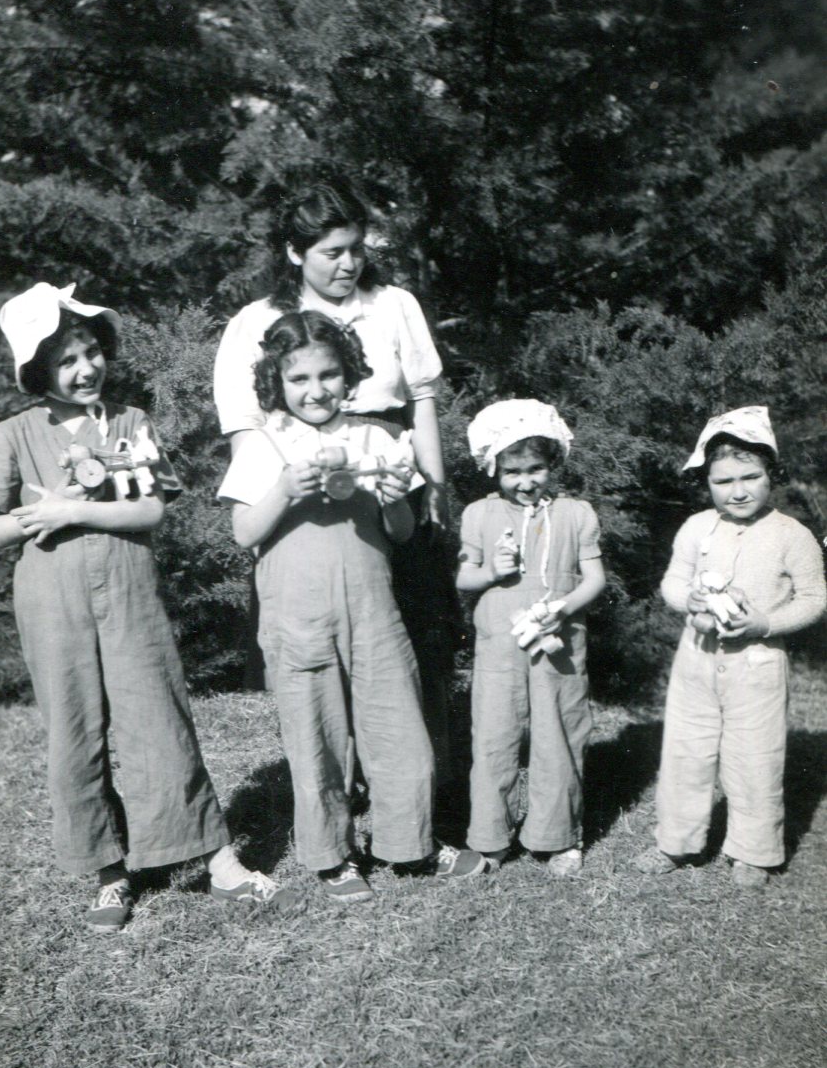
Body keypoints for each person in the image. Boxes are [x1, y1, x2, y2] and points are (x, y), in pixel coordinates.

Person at [0, 282, 301, 934]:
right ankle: (108, 873)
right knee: (74, 732)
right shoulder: (13, 434)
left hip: (128, 592)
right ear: (37, 371)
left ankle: (220, 863)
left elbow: (150, 510)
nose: (85, 368)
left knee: (158, 716)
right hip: (51, 603)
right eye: (66, 360)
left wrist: (73, 510)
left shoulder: (131, 423)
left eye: (91, 352)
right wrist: (38, 514)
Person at [217, 310, 486, 903]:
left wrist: (393, 500)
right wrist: (285, 490)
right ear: (276, 382)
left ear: (350, 376)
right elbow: (243, 532)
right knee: (318, 736)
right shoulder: (264, 443)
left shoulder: (377, 439)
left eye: (329, 375)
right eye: (299, 379)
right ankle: (332, 856)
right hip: (298, 615)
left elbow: (401, 532)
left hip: (373, 610)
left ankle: (410, 842)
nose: (316, 391)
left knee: (399, 727)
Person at [213, 177, 459, 780]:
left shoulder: (394, 305)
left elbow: (421, 400)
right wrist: (281, 487)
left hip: (389, 472)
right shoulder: (256, 320)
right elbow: (245, 426)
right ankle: (339, 781)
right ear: (294, 252)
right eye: (332, 253)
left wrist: (434, 485)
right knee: (318, 644)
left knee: (406, 633)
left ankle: (421, 780)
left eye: (356, 249)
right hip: (301, 487)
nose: (349, 264)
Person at [635, 406, 826, 889]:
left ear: (771, 474)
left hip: (758, 664)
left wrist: (765, 623)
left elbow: (814, 599)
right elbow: (673, 582)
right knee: (686, 751)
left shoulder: (793, 535)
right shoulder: (697, 527)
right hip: (696, 659)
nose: (738, 491)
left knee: (755, 757)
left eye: (750, 477)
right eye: (723, 481)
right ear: (706, 482)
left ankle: (753, 851)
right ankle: (676, 841)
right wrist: (689, 598)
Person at [456, 399, 607, 876]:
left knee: (558, 733)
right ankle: (490, 837)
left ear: (553, 463)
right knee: (494, 737)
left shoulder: (575, 513)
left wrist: (563, 607)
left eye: (535, 469)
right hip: (499, 646)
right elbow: (463, 577)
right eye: (512, 472)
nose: (525, 482)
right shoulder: (479, 514)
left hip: (559, 644)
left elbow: (595, 579)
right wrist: (489, 572)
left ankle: (557, 835)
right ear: (493, 469)